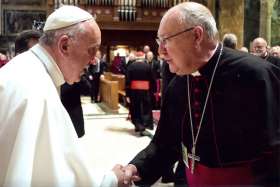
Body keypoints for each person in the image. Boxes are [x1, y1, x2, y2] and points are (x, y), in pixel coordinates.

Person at [123, 2, 280, 187]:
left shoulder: (256, 75)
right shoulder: (178, 84)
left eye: (165, 40)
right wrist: (137, 167)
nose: (160, 50)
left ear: (197, 35)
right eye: (159, 42)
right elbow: (164, 143)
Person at [0, 5, 125, 187]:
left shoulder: (26, 69)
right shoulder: (36, 90)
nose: (93, 61)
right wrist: (111, 180)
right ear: (64, 45)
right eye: (91, 50)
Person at [125, 51, 156, 136]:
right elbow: (153, 80)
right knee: (145, 109)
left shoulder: (131, 66)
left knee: (135, 108)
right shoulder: (148, 66)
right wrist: (153, 91)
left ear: (136, 58)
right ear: (143, 57)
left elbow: (127, 81)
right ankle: (144, 126)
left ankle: (137, 125)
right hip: (145, 91)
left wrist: (127, 94)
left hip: (134, 91)